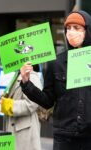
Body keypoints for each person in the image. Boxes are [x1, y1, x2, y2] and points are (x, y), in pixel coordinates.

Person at [20, 10, 91, 150]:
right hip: (64, 137)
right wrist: (26, 83)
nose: (71, 32)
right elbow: (47, 101)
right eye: (68, 28)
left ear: (87, 31)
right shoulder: (57, 63)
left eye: (76, 28)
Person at [0, 70, 42, 150]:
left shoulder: (31, 75)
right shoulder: (17, 74)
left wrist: (10, 105)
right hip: (16, 129)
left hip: (25, 132)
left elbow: (33, 103)